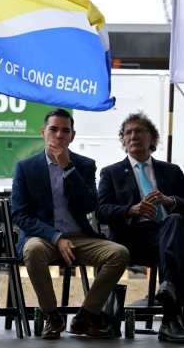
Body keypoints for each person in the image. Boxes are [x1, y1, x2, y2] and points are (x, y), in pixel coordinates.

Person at [11, 108, 129, 340]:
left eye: (65, 131)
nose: (59, 135)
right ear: (43, 132)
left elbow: (88, 204)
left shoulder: (84, 165)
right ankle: (52, 317)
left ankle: (85, 316)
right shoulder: (26, 167)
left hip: (79, 237)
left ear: (72, 136)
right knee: (32, 249)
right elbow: (20, 214)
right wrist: (56, 237)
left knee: (119, 253)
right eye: (53, 129)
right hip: (44, 238)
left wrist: (68, 168)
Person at [97, 112, 184, 343]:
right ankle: (171, 319)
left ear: (152, 138)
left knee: (174, 221)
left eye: (140, 131)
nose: (133, 135)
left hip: (166, 236)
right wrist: (131, 210)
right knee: (175, 253)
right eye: (128, 132)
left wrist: (171, 201)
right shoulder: (111, 172)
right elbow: (102, 210)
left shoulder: (172, 171)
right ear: (123, 141)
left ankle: (168, 289)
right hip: (129, 238)